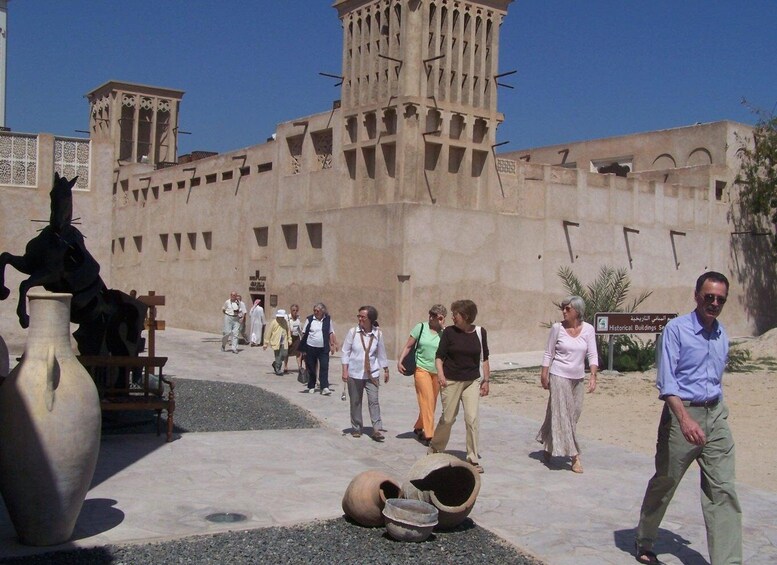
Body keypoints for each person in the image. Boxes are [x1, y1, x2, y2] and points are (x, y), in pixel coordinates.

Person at [634, 271, 741, 565]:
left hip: (715, 416)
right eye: (709, 297)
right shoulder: (676, 330)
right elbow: (667, 382)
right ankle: (645, 539)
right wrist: (684, 419)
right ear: (697, 296)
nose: (715, 303)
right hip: (681, 414)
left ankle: (728, 561)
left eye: (721, 299)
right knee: (666, 482)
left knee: (723, 490)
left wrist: (716, 413)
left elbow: (715, 380)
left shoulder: (721, 334)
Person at [535, 295, 598, 474]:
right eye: (563, 308)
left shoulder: (588, 329)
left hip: (578, 378)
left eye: (568, 309)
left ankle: (548, 443)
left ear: (578, 311)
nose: (564, 311)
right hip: (559, 375)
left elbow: (592, 354)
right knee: (564, 415)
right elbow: (548, 353)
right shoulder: (557, 328)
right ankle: (575, 457)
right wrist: (544, 373)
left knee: (572, 413)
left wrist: (593, 375)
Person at [427, 299, 489, 474]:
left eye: (456, 314)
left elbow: (485, 358)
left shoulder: (480, 332)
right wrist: (440, 375)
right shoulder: (449, 332)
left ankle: (473, 458)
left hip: (472, 381)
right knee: (448, 418)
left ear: (466, 316)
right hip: (451, 380)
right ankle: (436, 448)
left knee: (472, 418)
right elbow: (439, 356)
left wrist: (486, 380)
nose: (453, 317)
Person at [397, 304, 447, 445]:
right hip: (421, 369)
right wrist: (400, 361)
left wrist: (443, 328)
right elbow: (408, 346)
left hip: (438, 372)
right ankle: (429, 435)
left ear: (441, 318)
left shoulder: (446, 333)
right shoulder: (421, 327)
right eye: (430, 314)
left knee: (431, 403)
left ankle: (419, 426)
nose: (431, 317)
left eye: (435, 316)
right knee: (427, 400)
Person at [341, 306, 390, 441]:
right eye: (359, 316)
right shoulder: (353, 332)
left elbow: (381, 353)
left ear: (370, 319)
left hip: (372, 374)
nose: (360, 319)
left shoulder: (378, 334)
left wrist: (385, 369)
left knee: (374, 401)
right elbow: (345, 352)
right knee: (355, 401)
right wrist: (345, 370)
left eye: (363, 317)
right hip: (354, 373)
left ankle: (377, 429)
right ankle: (356, 428)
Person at [300, 302, 337, 395]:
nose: (315, 312)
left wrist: (332, 344)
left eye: (317, 311)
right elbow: (304, 333)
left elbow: (330, 332)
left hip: (323, 348)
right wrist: (303, 348)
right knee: (311, 367)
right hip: (310, 347)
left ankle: (324, 387)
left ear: (322, 311)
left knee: (324, 366)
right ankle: (311, 386)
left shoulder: (327, 320)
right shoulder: (309, 319)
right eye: (314, 310)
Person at [264, 309, 292, 376]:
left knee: (285, 354)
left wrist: (289, 339)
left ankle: (276, 363)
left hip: (284, 342)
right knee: (278, 356)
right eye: (280, 317)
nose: (281, 318)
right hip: (276, 342)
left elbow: (288, 330)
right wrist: (266, 343)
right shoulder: (274, 322)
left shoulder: (285, 322)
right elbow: (269, 332)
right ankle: (278, 369)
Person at [285, 304, 303, 373]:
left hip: (297, 337)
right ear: (291, 310)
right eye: (293, 310)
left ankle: (299, 367)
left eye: (296, 310)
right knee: (287, 352)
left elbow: (300, 329)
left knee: (298, 352)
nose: (295, 312)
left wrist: (302, 337)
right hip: (289, 337)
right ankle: (285, 366)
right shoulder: (287, 318)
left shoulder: (298, 318)